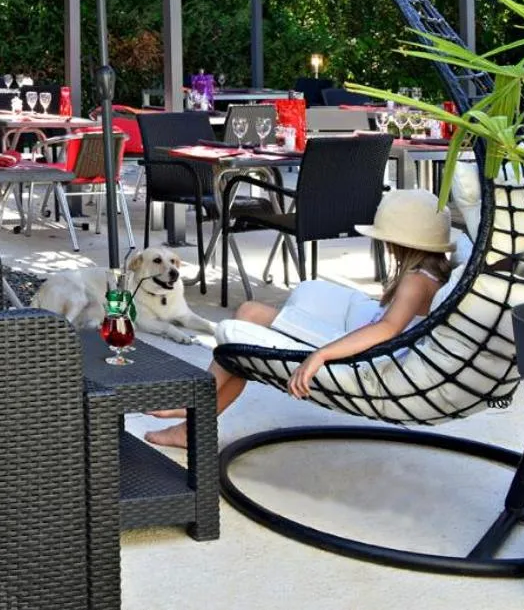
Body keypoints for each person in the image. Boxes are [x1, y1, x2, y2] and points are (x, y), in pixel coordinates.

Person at [145, 188, 454, 449]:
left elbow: (388, 328)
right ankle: (192, 423)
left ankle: (193, 412)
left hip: (360, 351)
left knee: (247, 323)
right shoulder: (433, 271)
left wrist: (322, 355)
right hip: (361, 335)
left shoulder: (416, 280)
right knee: (245, 333)